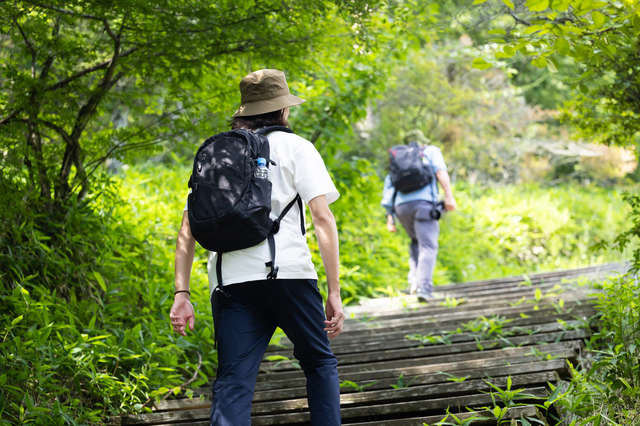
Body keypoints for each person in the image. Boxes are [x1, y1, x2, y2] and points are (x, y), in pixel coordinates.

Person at [169, 69, 344, 426]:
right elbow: (323, 218)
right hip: (290, 276)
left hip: (231, 282)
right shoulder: (298, 148)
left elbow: (187, 228)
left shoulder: (219, 154)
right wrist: (335, 291)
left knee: (233, 379)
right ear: (283, 110)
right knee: (319, 363)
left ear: (244, 111)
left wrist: (181, 293)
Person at [381, 129, 457, 301]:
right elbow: (440, 172)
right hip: (423, 206)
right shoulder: (430, 151)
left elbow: (389, 185)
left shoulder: (400, 156)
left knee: (416, 242)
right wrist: (449, 196)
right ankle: (424, 288)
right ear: (424, 140)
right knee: (428, 246)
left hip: (401, 208)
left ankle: (414, 284)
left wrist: (389, 216)